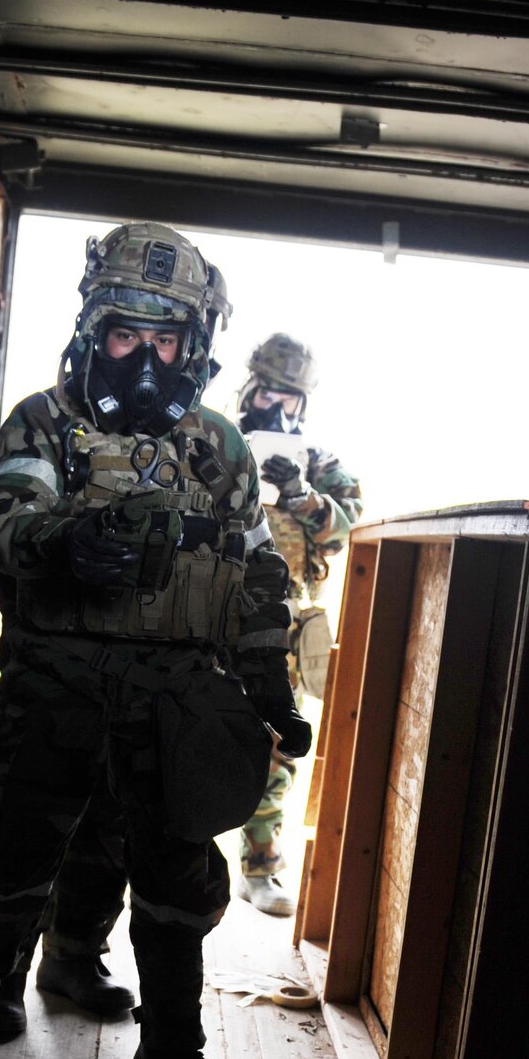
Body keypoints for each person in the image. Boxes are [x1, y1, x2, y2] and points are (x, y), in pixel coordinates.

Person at [0, 222, 309, 1059]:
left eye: (167, 341)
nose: (147, 359)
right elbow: (3, 507)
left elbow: (253, 578)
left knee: (178, 893)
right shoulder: (44, 419)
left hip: (173, 712)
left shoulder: (220, 451)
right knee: (0, 885)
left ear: (193, 347)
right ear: (96, 329)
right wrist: (57, 542)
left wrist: (268, 688)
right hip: (55, 698)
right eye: (129, 335)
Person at [233, 333, 362, 915]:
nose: (277, 406)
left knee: (275, 748)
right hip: (210, 617)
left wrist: (299, 493)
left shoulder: (319, 464)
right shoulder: (215, 438)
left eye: (290, 398)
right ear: (250, 388)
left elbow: (344, 530)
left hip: (282, 629)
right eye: (269, 392)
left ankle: (260, 868)